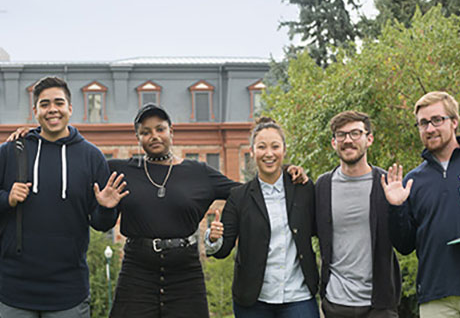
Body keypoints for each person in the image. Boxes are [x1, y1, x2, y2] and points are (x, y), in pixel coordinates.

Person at [107, 105, 308, 318]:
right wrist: (104, 206)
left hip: (184, 273)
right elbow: (95, 203)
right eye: (145, 132)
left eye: (160, 129)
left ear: (171, 132)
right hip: (137, 271)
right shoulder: (121, 171)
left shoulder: (198, 173)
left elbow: (246, 192)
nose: (154, 136)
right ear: (137, 137)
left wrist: (282, 172)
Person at [0, 76, 127, 317]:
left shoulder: (92, 157)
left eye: (58, 103)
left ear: (70, 108)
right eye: (45, 104)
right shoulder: (11, 151)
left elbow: (101, 224)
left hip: (68, 292)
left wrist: (108, 208)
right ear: (35, 110)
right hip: (13, 291)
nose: (52, 110)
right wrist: (7, 198)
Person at [205, 117, 320, 318]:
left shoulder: (303, 188)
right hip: (253, 301)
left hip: (298, 296)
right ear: (252, 152)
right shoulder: (239, 196)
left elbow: (320, 230)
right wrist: (213, 238)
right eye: (262, 147)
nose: (269, 153)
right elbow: (223, 250)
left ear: (284, 150)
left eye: (275, 147)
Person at [382, 91, 460, 317]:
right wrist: (396, 207)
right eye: (423, 123)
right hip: (435, 292)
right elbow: (405, 245)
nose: (430, 129)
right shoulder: (411, 181)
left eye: (437, 120)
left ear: (454, 122)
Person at [316, 110, 401, 318]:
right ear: (334, 142)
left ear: (369, 139)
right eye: (341, 135)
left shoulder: (387, 183)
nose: (348, 140)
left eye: (355, 133)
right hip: (336, 302)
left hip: (380, 304)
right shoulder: (322, 186)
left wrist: (398, 207)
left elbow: (405, 242)